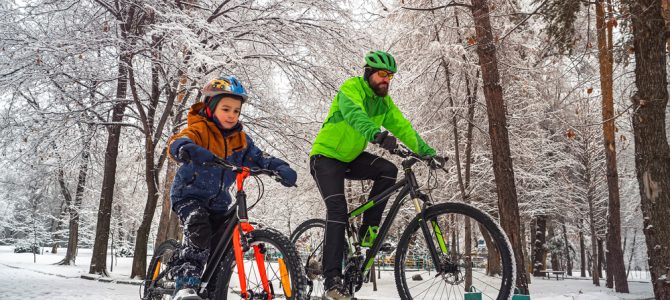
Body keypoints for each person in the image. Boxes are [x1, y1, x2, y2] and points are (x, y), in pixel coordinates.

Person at [309, 51, 443, 300]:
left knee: (388, 170)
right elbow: (354, 115)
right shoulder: (352, 88)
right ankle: (331, 281)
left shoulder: (384, 103)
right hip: (325, 158)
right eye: (382, 74)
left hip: (349, 159)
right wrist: (377, 135)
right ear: (369, 73)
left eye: (390, 76)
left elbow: (403, 126)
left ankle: (368, 229)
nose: (386, 80)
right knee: (337, 210)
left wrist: (427, 153)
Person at [167, 75, 297, 299]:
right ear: (210, 107)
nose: (231, 115)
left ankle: (214, 291)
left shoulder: (240, 139)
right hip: (189, 195)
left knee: (225, 244)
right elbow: (178, 141)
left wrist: (278, 167)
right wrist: (187, 148)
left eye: (236, 111)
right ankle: (185, 283)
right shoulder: (199, 129)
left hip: (219, 202)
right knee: (198, 224)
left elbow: (258, 157)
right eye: (226, 109)